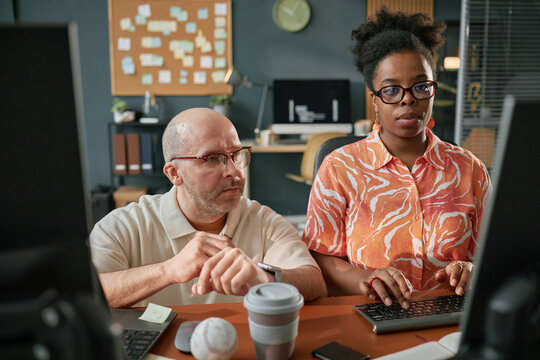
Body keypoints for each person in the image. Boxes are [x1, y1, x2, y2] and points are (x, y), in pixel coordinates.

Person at [303, 7, 491, 309]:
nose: (408, 98)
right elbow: (320, 256)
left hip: (450, 316)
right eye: (392, 90)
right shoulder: (339, 169)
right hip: (371, 313)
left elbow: (494, 257)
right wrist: (367, 279)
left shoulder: (470, 169)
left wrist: (473, 271)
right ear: (374, 99)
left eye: (420, 86)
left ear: (432, 90)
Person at [90, 108, 326, 308]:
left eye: (236, 154)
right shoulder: (123, 226)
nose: (234, 171)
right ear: (175, 174)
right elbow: (89, 295)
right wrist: (168, 271)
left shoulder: (263, 221)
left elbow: (315, 282)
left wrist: (265, 278)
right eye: (212, 159)